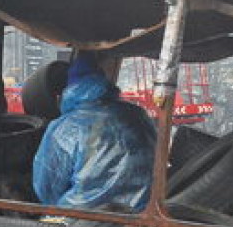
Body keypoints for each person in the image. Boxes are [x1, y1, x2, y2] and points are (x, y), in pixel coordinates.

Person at [32, 53, 157, 210]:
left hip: (81, 223)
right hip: (142, 217)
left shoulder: (64, 128)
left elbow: (46, 190)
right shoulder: (139, 115)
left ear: (68, 90)